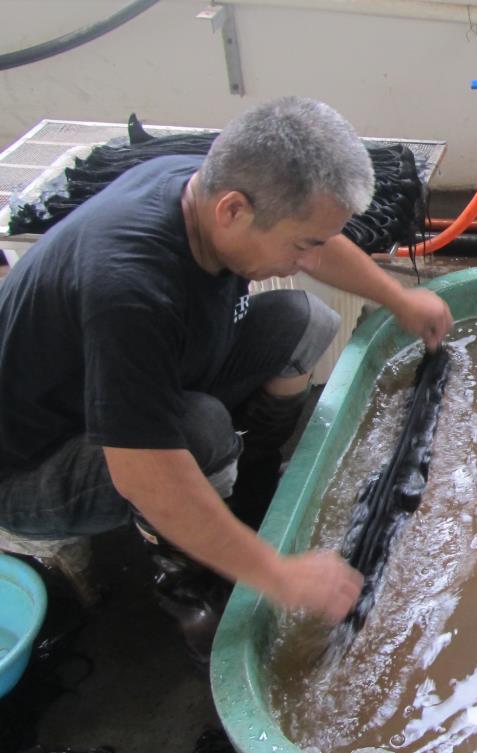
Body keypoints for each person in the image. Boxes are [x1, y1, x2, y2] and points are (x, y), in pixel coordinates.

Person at [0, 97, 453, 661]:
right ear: (232, 211)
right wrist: (277, 574)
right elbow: (145, 472)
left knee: (304, 320)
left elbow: (319, 243)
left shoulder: (213, 182)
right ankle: (194, 587)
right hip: (30, 466)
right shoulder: (129, 289)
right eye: (300, 244)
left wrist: (398, 298)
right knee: (200, 430)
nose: (306, 260)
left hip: (149, 374)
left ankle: (250, 483)